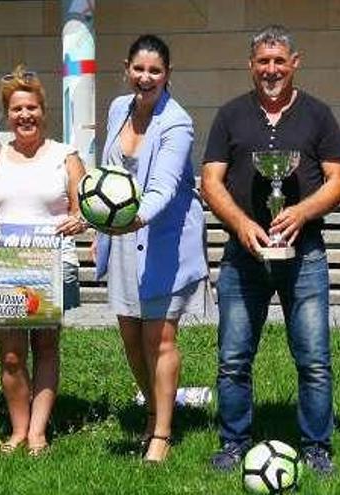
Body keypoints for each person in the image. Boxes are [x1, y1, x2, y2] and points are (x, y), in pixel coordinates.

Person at [201, 24, 340, 474]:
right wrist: (243, 223)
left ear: (294, 63)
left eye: (279, 61)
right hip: (243, 256)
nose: (271, 70)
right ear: (251, 66)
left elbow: (338, 180)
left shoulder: (318, 114)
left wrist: (300, 212)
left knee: (315, 360)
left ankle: (316, 446)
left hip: (305, 255)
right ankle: (233, 441)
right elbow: (211, 180)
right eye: (263, 62)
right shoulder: (230, 115)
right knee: (233, 359)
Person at [94, 34, 209, 463]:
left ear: (167, 75)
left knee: (158, 337)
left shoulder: (176, 122)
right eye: (139, 69)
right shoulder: (115, 109)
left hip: (164, 239)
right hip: (123, 238)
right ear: (127, 68)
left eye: (155, 71)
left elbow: (161, 188)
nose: (146, 78)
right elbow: (107, 173)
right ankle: (154, 406)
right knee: (130, 337)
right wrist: (102, 228)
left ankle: (161, 432)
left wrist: (133, 219)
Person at [0, 66, 87, 456]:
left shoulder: (65, 156)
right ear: (8, 113)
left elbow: (85, 208)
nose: (25, 116)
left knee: (47, 347)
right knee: (12, 353)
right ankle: (18, 428)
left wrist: (79, 219)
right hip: (6, 266)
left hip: (52, 262)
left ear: (43, 111)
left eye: (31, 107)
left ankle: (38, 431)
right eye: (17, 109)